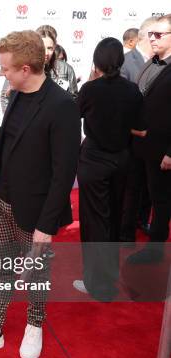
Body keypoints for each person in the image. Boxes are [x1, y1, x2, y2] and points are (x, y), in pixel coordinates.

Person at [0, 31, 80, 358]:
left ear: (26, 68)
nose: (1, 73)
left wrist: (46, 226)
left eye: (5, 67)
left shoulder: (63, 106)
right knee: (3, 268)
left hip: (36, 211)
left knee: (37, 272)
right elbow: (20, 140)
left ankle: (34, 325)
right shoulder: (18, 93)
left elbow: (63, 172)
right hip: (1, 200)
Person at [73, 38, 145, 300]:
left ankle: (98, 285)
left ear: (97, 61)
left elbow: (73, 115)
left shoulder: (90, 90)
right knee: (113, 218)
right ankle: (108, 278)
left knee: (95, 223)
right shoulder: (132, 90)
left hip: (94, 161)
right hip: (122, 160)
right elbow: (139, 126)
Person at [128, 14, 171, 264]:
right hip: (139, 145)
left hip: (161, 149)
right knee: (141, 194)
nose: (151, 39)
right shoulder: (149, 63)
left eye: (158, 35)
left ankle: (155, 248)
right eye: (150, 34)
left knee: (161, 198)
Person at [120, 17, 158, 244]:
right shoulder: (126, 62)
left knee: (147, 187)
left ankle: (142, 220)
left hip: (153, 139)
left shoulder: (160, 63)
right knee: (131, 188)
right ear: (146, 36)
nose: (156, 40)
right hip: (130, 139)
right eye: (154, 35)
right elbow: (120, 104)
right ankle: (126, 231)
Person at [0, 25, 78, 113]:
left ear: (54, 47)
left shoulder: (66, 69)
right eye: (42, 47)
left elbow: (73, 100)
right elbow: (5, 97)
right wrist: (13, 121)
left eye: (50, 48)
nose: (46, 53)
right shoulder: (21, 67)